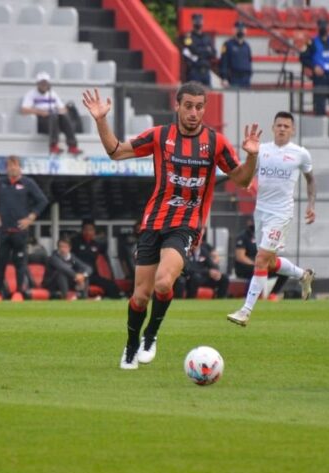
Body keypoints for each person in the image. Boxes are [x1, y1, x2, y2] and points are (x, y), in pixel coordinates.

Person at [81, 82, 262, 369]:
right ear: (177, 106)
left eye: (199, 107)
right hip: (153, 222)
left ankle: (151, 335)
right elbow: (116, 152)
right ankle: (131, 345)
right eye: (188, 105)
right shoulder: (160, 136)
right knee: (140, 296)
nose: (193, 112)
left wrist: (252, 156)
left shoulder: (215, 143)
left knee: (164, 282)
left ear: (205, 109)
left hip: (187, 225)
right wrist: (101, 120)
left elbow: (242, 180)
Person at [227, 111, 316, 327]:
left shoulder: (300, 154)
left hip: (282, 213)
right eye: (279, 125)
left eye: (287, 126)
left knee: (260, 259)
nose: (283, 129)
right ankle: (303, 275)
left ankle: (245, 311)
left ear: (292, 130)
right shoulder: (262, 150)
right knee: (269, 261)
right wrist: (250, 156)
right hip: (262, 212)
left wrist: (311, 205)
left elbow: (310, 180)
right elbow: (245, 176)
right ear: (273, 127)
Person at [0, 155, 49, 302]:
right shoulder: (0, 183)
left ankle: (19, 292)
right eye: (10, 165)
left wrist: (31, 218)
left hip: (20, 231)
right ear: (6, 168)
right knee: (0, 263)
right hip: (3, 231)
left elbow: (42, 201)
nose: (12, 168)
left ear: (20, 167)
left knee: (20, 263)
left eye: (15, 165)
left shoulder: (28, 183)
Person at [20, 72, 82, 156]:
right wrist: (41, 112)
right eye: (42, 83)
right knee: (52, 116)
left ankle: (72, 146)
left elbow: (63, 108)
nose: (44, 85)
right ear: (37, 84)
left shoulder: (52, 94)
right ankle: (53, 146)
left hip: (54, 119)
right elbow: (24, 110)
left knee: (64, 116)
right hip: (42, 121)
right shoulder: (31, 94)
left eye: (45, 83)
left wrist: (57, 110)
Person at [233, 216, 288, 300]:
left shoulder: (264, 236)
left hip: (262, 264)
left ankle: (272, 295)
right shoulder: (243, 236)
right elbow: (240, 257)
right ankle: (250, 297)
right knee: (256, 270)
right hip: (245, 267)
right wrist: (256, 263)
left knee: (284, 272)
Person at [70, 218, 122, 299]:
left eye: (91, 230)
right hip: (79, 274)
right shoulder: (75, 242)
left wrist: (111, 274)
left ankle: (117, 300)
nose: (88, 232)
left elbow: (106, 258)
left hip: (93, 275)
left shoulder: (96, 244)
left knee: (110, 284)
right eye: (86, 229)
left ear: (94, 231)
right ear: (82, 230)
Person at [176, 228, 229, 299]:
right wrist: (208, 272)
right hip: (191, 277)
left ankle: (220, 300)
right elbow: (188, 268)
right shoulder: (186, 250)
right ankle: (190, 299)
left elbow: (211, 264)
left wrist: (215, 272)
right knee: (194, 277)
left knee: (224, 278)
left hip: (204, 276)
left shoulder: (203, 251)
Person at [182, 13, 216, 86]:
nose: (198, 22)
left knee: (208, 94)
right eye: (196, 20)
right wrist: (206, 50)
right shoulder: (188, 37)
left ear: (202, 22)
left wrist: (199, 51)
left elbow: (213, 53)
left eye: (200, 20)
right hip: (194, 70)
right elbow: (189, 51)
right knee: (194, 94)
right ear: (192, 22)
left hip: (206, 70)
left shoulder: (207, 37)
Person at [219, 20, 253, 88]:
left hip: (246, 79)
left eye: (242, 29)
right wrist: (224, 78)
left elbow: (249, 61)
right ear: (234, 30)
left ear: (245, 31)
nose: (240, 31)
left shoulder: (247, 46)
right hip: (233, 79)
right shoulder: (227, 44)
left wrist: (249, 74)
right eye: (238, 29)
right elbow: (223, 62)